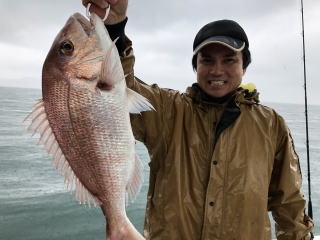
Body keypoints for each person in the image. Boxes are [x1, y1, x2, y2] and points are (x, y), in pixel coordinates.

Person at [82, 0, 314, 239]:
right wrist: (113, 27)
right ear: (196, 66)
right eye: (207, 60)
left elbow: (289, 205)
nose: (217, 70)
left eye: (229, 59)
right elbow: (119, 87)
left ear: (245, 65)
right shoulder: (168, 112)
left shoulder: (271, 124)